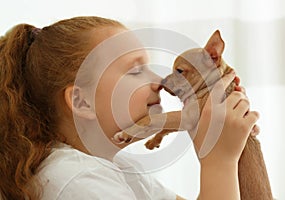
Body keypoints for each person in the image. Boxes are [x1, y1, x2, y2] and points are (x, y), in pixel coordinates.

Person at [0, 16, 259, 200]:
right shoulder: (78, 182)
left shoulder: (117, 168)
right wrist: (219, 161)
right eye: (136, 70)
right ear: (82, 101)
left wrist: (214, 133)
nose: (158, 82)